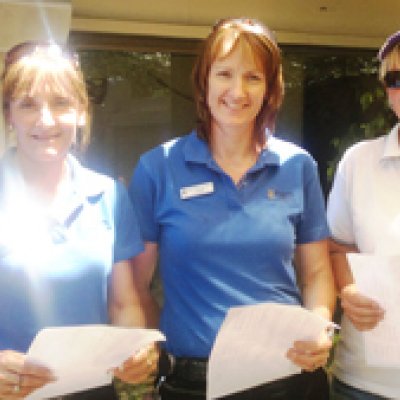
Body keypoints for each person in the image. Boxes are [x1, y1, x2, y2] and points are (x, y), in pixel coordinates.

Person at [128, 18, 335, 400]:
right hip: (192, 385)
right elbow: (135, 286)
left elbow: (318, 272)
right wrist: (159, 346)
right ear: (204, 81)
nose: (237, 91)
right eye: (224, 74)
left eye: (254, 77)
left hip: (288, 378)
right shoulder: (158, 168)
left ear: (270, 89)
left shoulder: (297, 166)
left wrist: (320, 325)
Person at [0, 42, 158, 400]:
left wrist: (134, 349)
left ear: (81, 112)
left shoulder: (109, 196)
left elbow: (123, 303)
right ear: (9, 114)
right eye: (28, 104)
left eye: (60, 103)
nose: (46, 120)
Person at [327, 30, 400, 400]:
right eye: (397, 79)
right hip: (365, 384)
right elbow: (338, 247)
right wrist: (348, 289)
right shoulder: (359, 162)